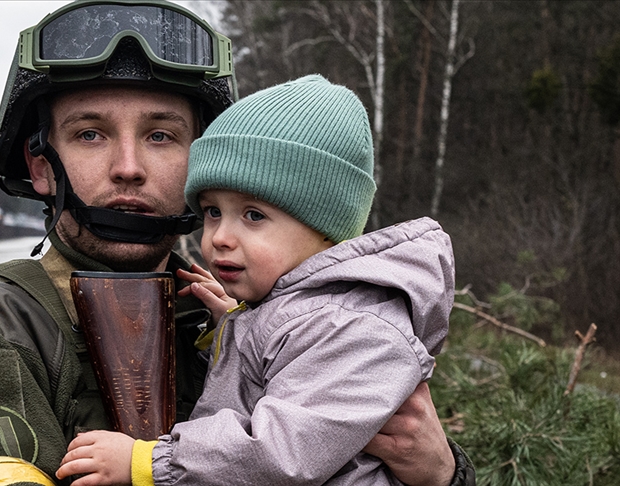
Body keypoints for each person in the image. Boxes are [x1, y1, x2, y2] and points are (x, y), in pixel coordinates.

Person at [0, 2, 474, 485]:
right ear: (41, 165)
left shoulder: (276, 315)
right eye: (90, 134)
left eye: (161, 136)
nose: (129, 167)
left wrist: (440, 474)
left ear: (203, 163)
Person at [54, 75, 457, 485]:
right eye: (213, 212)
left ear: (326, 231)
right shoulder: (297, 313)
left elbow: (280, 453)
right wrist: (236, 325)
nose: (221, 238)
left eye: (253, 216)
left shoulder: (352, 328)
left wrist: (147, 462)